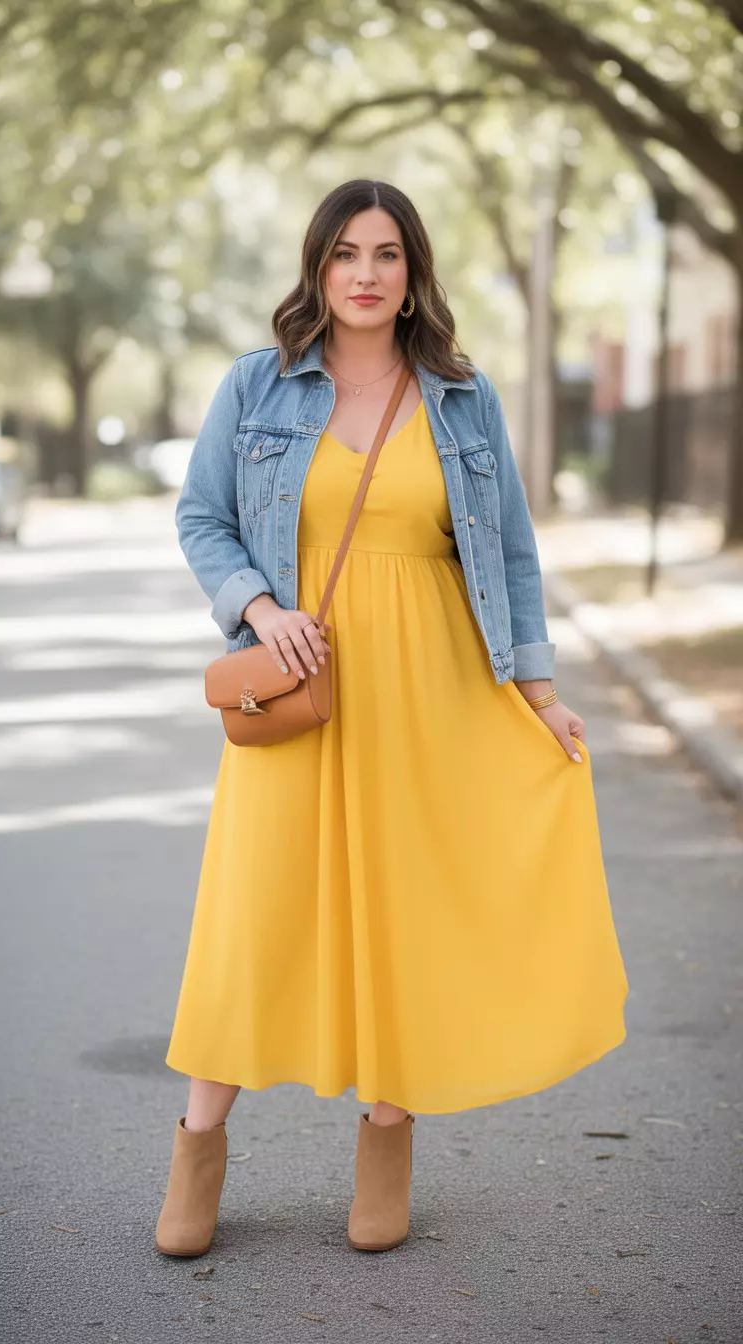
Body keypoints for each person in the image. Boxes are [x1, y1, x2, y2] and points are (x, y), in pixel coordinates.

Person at [155, 178, 628, 1258]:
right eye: (345, 254)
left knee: (404, 911)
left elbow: (506, 550)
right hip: (302, 680)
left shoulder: (462, 397)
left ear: (413, 272)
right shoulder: (255, 387)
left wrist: (540, 696)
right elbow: (203, 518)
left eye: (387, 255)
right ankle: (195, 1152)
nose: (366, 274)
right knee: (254, 912)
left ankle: (386, 1141)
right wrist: (261, 611)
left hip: (433, 687)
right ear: (317, 268)